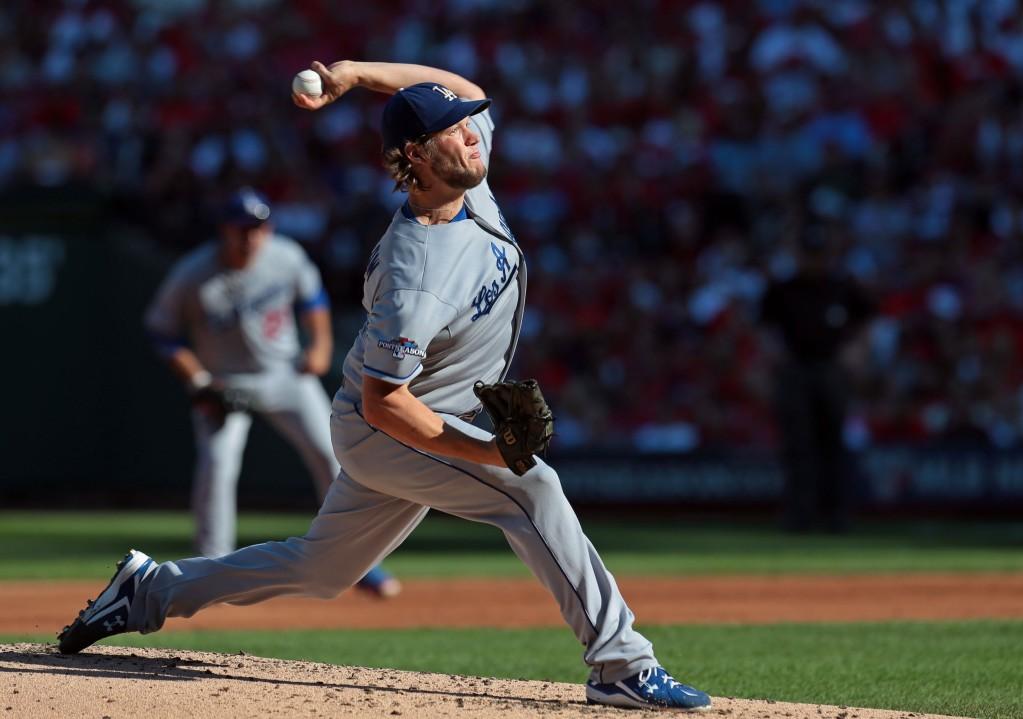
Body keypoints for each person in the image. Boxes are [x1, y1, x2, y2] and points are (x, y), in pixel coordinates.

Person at [57, 61, 711, 712]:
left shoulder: (465, 183)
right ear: (417, 157)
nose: (473, 131)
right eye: (453, 131)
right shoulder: (415, 270)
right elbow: (385, 402)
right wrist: (495, 451)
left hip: (409, 422)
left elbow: (463, 89)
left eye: (466, 126)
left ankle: (147, 589)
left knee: (321, 569)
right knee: (531, 487)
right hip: (391, 430)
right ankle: (622, 663)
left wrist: (352, 73)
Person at [142, 187, 400, 596]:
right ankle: (209, 568)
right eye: (241, 228)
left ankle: (361, 561)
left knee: (336, 458)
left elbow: (313, 299)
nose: (250, 236)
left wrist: (319, 346)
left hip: (284, 375)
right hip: (225, 383)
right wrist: (197, 380)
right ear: (223, 230)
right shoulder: (193, 273)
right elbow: (161, 331)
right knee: (218, 467)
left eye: (257, 227)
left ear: (269, 228)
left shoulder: (286, 256)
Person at [759, 226, 876, 533]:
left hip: (831, 369)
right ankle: (799, 514)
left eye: (818, 254)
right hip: (795, 370)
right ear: (798, 255)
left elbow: (867, 322)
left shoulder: (842, 287)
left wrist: (857, 352)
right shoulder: (783, 289)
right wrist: (775, 356)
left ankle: (836, 514)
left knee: (833, 442)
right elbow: (765, 328)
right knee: (798, 444)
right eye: (808, 254)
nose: (813, 261)